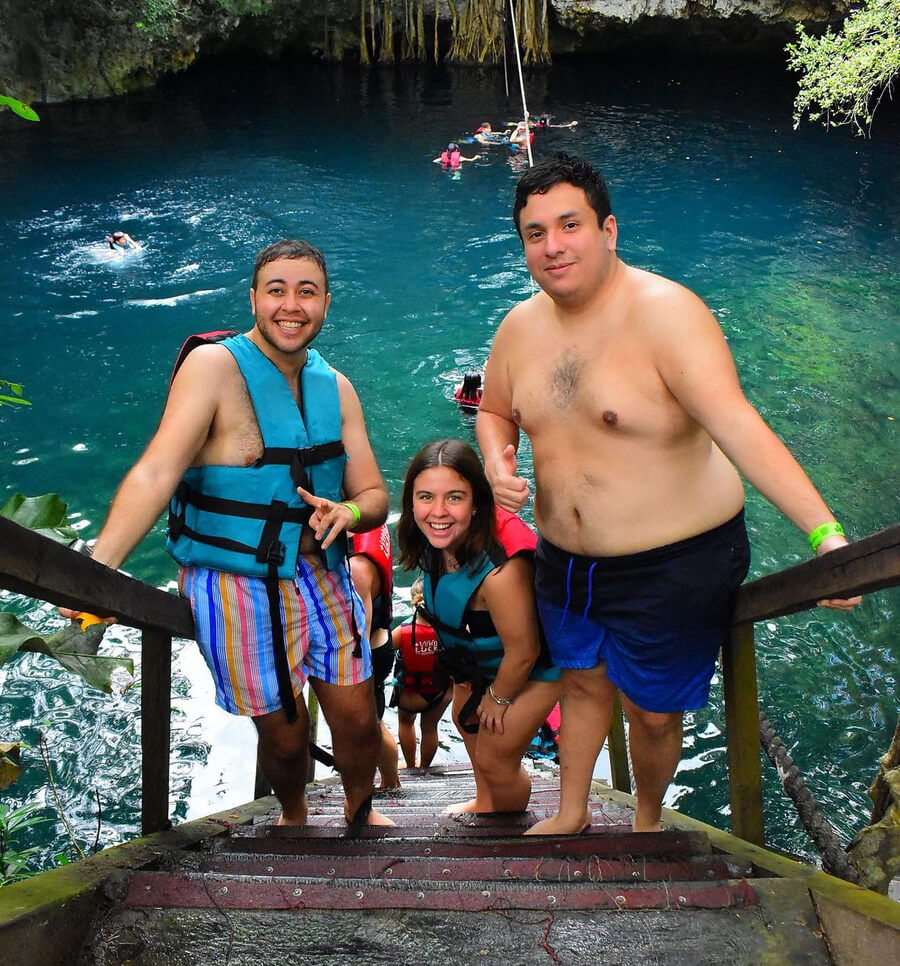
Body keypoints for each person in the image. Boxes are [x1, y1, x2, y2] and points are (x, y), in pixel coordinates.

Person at [475, 153, 860, 836]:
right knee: (584, 681)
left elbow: (739, 426)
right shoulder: (518, 328)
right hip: (567, 562)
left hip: (674, 560)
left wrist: (823, 533)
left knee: (652, 711)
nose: (553, 246)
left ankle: (647, 823)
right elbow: (494, 408)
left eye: (570, 225)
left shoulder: (667, 314)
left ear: (609, 229)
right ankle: (572, 810)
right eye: (536, 233)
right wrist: (496, 459)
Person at [66, 238, 393, 831]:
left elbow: (374, 495)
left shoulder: (336, 387)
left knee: (359, 718)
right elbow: (157, 471)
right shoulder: (214, 368)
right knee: (286, 736)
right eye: (277, 290)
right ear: (253, 299)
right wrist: (99, 573)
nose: (290, 305)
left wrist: (348, 511)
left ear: (325, 304)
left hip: (321, 571)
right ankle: (293, 816)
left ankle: (359, 811)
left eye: (307, 291)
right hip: (235, 580)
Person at [396, 439, 562, 814]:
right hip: (479, 665)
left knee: (494, 757)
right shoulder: (435, 543)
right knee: (462, 718)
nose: (438, 512)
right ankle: (486, 803)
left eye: (454, 497)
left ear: (476, 503)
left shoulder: (500, 573)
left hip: (535, 671)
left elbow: (525, 651)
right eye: (426, 497)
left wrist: (498, 698)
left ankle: (508, 818)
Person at [349, 525, 401, 789]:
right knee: (376, 723)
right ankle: (390, 783)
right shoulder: (370, 525)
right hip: (382, 639)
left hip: (369, 653)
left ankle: (386, 785)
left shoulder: (357, 568)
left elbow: (358, 639)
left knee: (370, 725)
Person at [390, 577, 453, 770]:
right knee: (429, 728)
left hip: (411, 693)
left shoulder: (403, 632)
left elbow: (382, 653)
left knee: (406, 723)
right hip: (440, 693)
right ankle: (424, 766)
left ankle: (410, 766)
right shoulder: (448, 632)